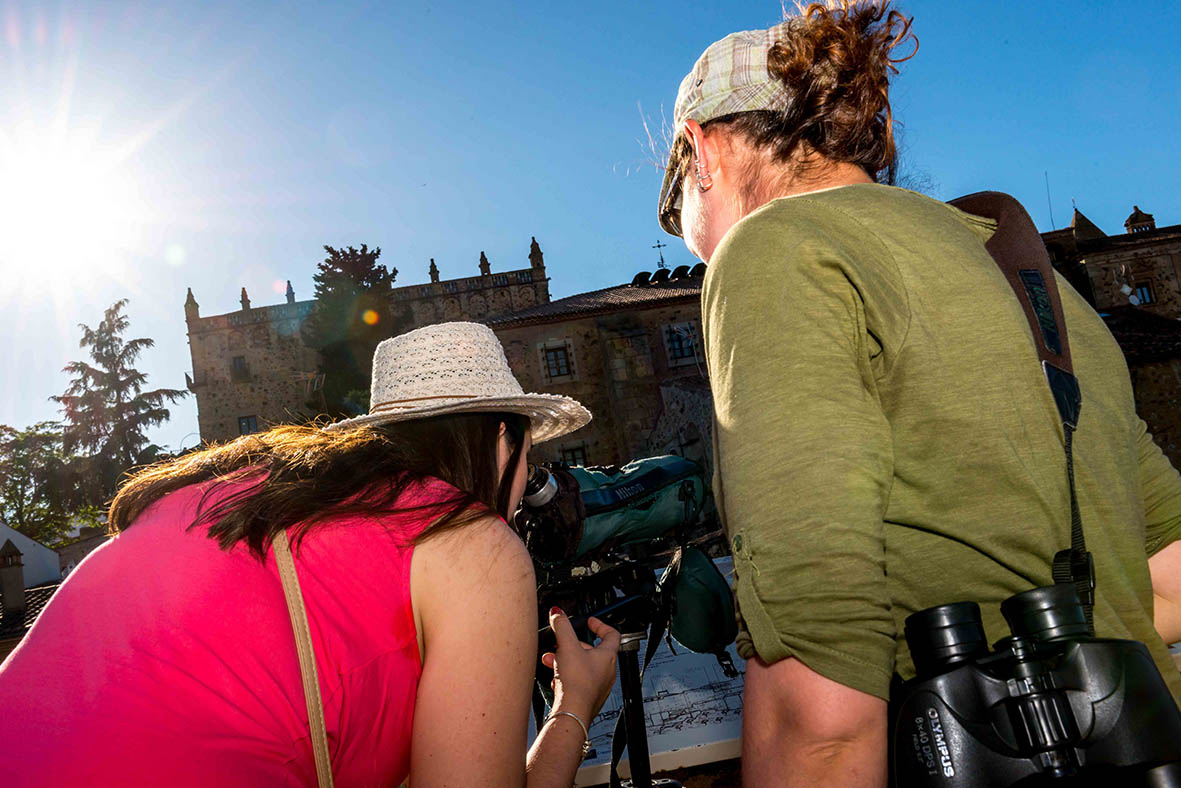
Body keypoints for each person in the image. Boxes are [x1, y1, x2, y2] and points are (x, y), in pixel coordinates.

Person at [656, 3, 1181, 785]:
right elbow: (1167, 577)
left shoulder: (773, 247)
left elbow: (820, 716)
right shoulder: (1026, 277)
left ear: (703, 152)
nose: (693, 243)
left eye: (677, 212)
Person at [0, 321, 620, 788]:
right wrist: (574, 707)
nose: (523, 494)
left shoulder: (253, 493)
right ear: (503, 439)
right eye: (529, 462)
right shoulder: (471, 539)